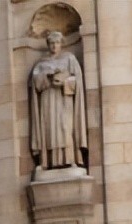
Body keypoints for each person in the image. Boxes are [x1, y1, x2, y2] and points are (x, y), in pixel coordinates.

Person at [29, 31, 88, 171]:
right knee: (48, 130)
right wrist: (46, 77)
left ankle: (71, 159)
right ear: (48, 45)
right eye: (51, 43)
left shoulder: (69, 59)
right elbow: (35, 83)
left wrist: (64, 81)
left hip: (64, 99)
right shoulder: (41, 63)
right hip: (47, 99)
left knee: (65, 128)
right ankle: (46, 162)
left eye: (57, 43)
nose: (54, 46)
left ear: (61, 44)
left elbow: (78, 81)